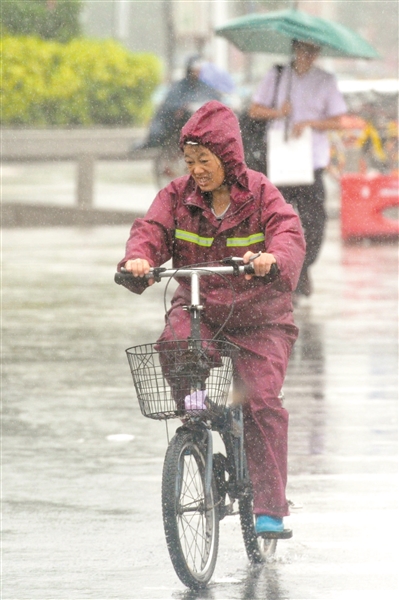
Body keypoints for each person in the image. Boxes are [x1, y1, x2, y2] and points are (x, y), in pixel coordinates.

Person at [118, 101, 305, 534]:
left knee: (260, 401)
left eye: (205, 160)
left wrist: (272, 258)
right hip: (200, 306)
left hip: (262, 318)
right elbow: (150, 231)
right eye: (190, 161)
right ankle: (198, 412)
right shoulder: (176, 196)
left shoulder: (261, 194)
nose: (197, 170)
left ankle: (269, 507)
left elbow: (289, 233)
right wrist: (138, 261)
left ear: (227, 156)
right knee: (176, 344)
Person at [249, 39, 347, 297]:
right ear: (294, 48)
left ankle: (302, 268)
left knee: (315, 222)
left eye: (314, 49)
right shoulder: (278, 74)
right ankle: (278, 270)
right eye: (304, 49)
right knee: (274, 221)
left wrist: (310, 123)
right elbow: (255, 110)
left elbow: (338, 121)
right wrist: (279, 112)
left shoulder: (325, 80)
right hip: (280, 163)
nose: (309, 55)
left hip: (311, 163)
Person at [138, 56, 221, 152]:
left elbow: (215, 101)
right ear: (189, 70)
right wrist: (182, 108)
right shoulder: (178, 88)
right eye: (194, 71)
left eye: (198, 71)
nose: (196, 73)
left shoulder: (206, 88)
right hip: (177, 127)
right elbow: (169, 107)